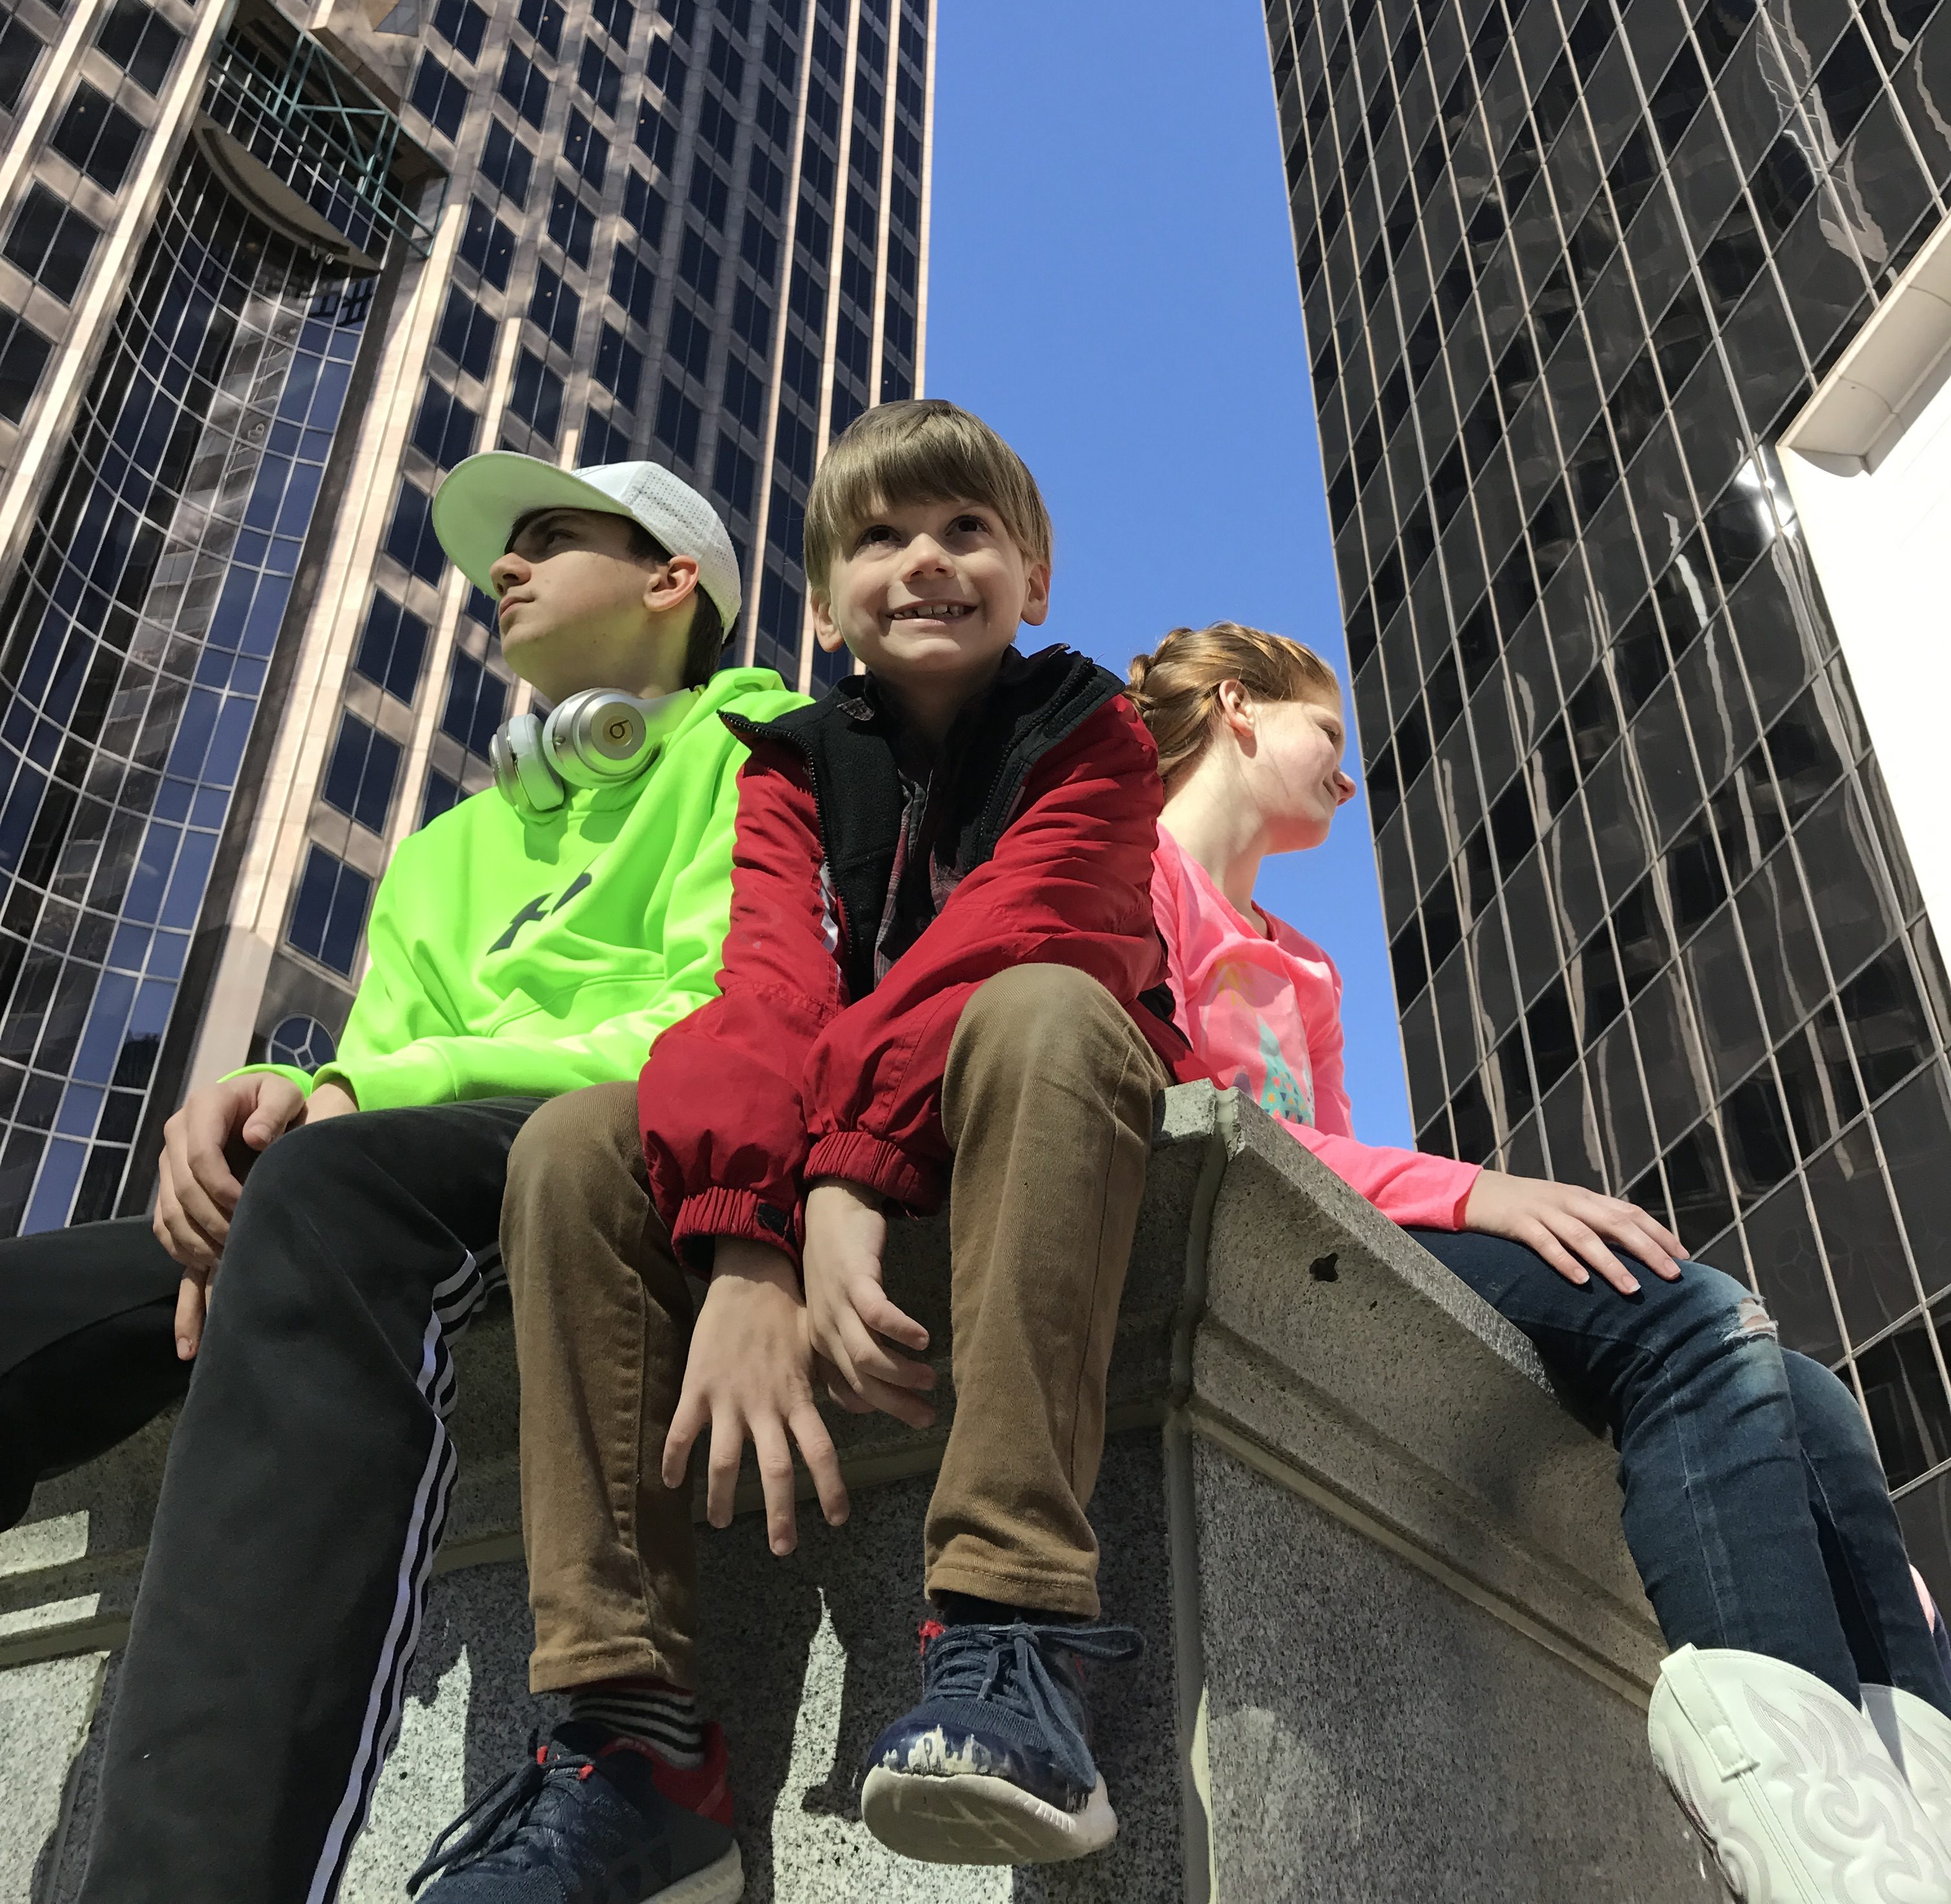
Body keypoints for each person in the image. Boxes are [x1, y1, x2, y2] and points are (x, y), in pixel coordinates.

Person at [0, 452, 803, 1904]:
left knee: (330, 1199)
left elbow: (719, 1020)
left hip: (610, 1144)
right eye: (504, 550)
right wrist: (276, 1108)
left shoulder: (764, 751)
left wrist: (358, 1106)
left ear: (672, 579)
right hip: (396, 1161)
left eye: (548, 536)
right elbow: (374, 1062)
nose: (505, 568)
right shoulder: (446, 848)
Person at [411, 399, 1187, 1899]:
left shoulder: (1094, 734)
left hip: (1018, 1096)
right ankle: (632, 1744)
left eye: (968, 530)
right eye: (880, 538)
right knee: (575, 1144)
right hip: (836, 1136)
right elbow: (765, 992)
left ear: (1034, 576)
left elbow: (1014, 939)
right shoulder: (788, 764)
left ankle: (1016, 1632)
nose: (926, 561)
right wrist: (745, 1238)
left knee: (1041, 1007)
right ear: (824, 605)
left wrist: (841, 1180)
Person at [1127, 617, 1951, 1903]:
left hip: (1342, 1239)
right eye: (1326, 732)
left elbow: (1338, 1157)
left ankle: (1915, 1833)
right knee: (1691, 1317)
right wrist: (1483, 1192)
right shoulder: (1138, 871)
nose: (1348, 769)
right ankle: (1833, 1868)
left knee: (1811, 1400)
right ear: (1238, 706)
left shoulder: (1307, 964)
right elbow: (1219, 1126)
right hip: (1229, 1237)